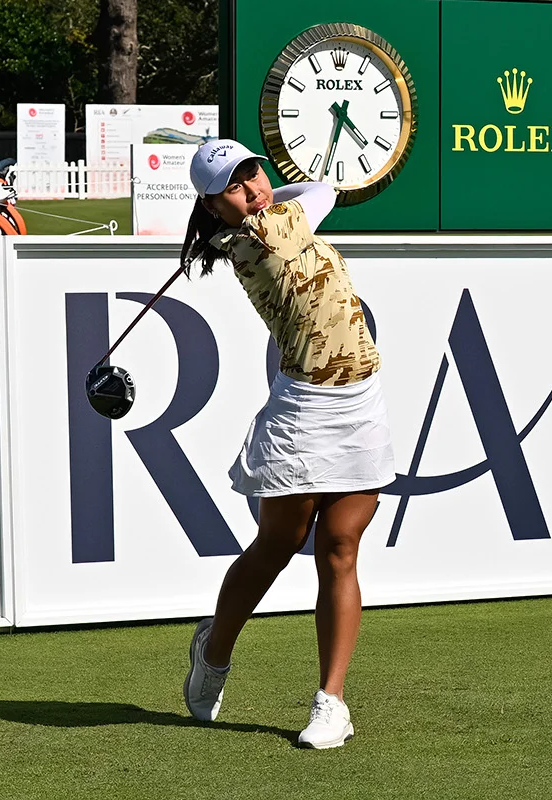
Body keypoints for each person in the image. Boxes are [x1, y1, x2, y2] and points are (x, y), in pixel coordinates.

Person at [178, 137, 394, 750]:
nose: (251, 193)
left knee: (340, 547)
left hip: (362, 400)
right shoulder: (256, 239)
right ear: (213, 208)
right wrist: (254, 204)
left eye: (254, 177)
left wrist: (239, 196)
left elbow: (297, 196)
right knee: (277, 544)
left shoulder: (265, 218)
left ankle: (332, 702)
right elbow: (322, 191)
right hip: (305, 409)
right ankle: (214, 648)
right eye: (233, 190)